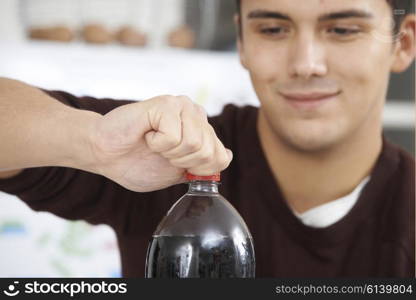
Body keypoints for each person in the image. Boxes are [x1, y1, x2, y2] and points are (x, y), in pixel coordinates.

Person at [0, 0, 415, 277]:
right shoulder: (165, 152)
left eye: (342, 30)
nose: (305, 64)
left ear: (404, 43)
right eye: (272, 29)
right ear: (242, 42)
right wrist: (93, 142)